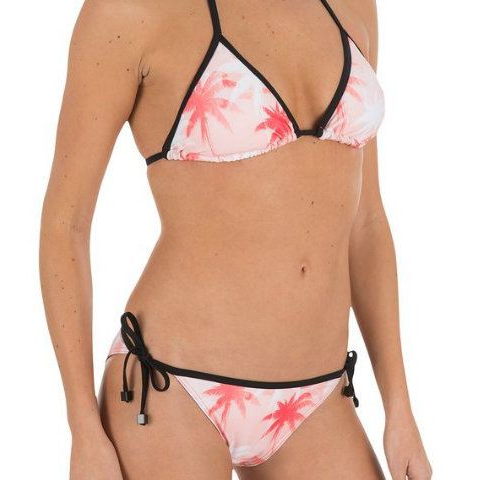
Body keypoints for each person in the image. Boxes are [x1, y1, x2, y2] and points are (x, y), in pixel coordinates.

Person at [40, 0, 432, 478]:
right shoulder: (130, 12)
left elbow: (366, 222)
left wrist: (399, 409)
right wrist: (83, 427)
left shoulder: (351, 6)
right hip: (173, 388)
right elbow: (66, 224)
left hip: (319, 394)